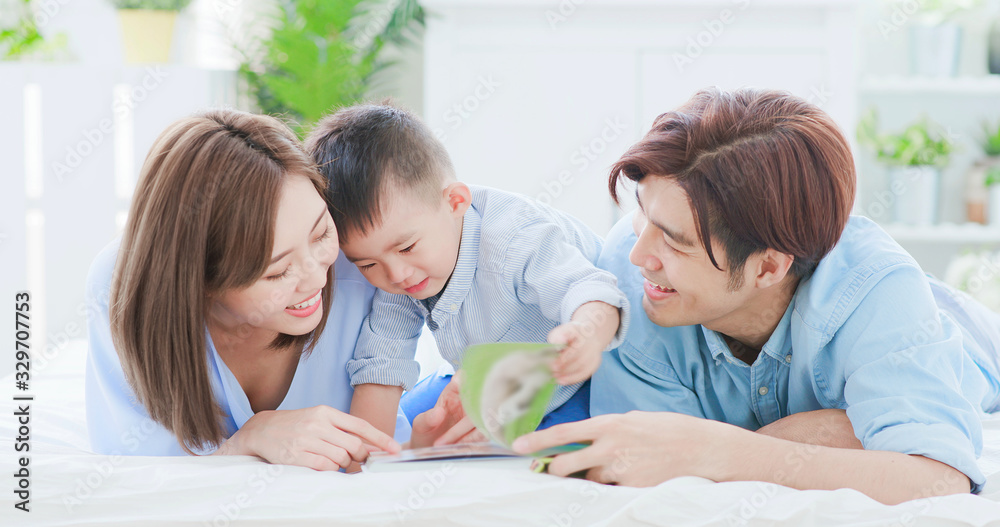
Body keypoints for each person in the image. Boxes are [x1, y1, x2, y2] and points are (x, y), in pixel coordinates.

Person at [512, 87, 1000, 505]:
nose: (641, 255)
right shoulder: (629, 272)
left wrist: (717, 450)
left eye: (675, 241)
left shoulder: (879, 293)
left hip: (959, 334)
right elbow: (653, 461)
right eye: (642, 214)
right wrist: (822, 435)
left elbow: (939, 480)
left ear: (769, 265)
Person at [85, 109, 404, 469]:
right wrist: (248, 440)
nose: (317, 279)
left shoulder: (363, 261)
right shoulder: (123, 288)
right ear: (200, 281)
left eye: (321, 233)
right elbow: (134, 465)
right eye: (278, 272)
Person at [304, 103, 630, 445]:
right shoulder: (398, 273)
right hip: (488, 383)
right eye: (367, 264)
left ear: (455, 202)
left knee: (546, 457)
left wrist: (587, 333)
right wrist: (367, 460)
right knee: (414, 428)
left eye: (408, 248)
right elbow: (381, 364)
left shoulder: (514, 238)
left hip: (576, 384)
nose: (396, 274)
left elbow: (589, 288)